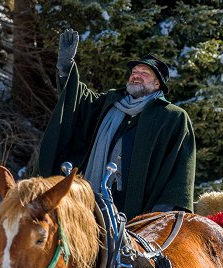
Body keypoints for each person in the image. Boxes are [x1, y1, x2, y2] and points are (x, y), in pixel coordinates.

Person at [36, 29, 196, 220]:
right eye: (134, 72)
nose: (136, 75)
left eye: (144, 73)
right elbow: (77, 100)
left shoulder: (172, 117)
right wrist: (66, 66)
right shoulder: (109, 102)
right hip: (93, 198)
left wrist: (164, 208)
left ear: (157, 85)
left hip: (140, 207)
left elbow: (181, 166)